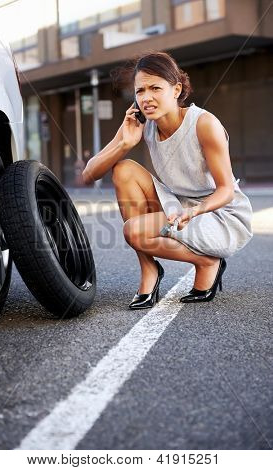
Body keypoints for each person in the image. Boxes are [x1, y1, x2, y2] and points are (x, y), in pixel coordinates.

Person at [82, 51, 253, 308]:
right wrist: (125, 143)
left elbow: (226, 190)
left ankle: (207, 262)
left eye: (155, 88)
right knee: (124, 169)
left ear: (176, 90)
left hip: (220, 215)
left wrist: (195, 211)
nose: (146, 98)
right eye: (140, 91)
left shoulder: (204, 124)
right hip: (180, 205)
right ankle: (149, 272)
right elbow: (89, 175)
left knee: (133, 231)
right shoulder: (142, 123)